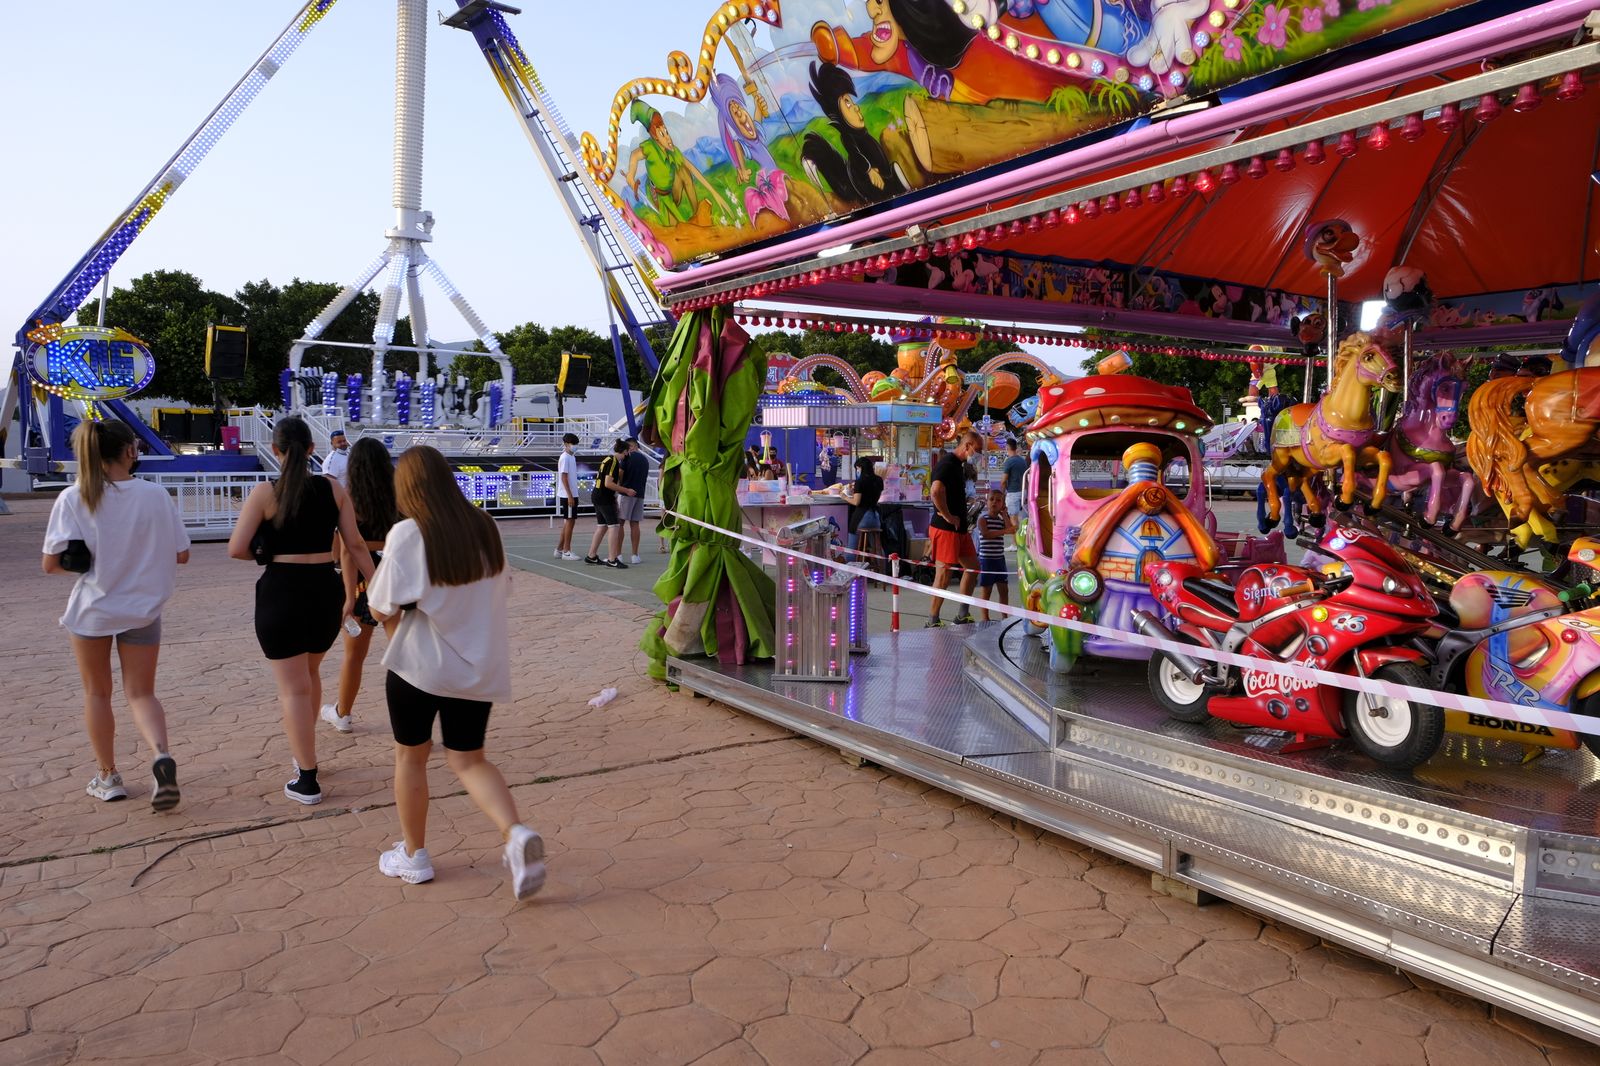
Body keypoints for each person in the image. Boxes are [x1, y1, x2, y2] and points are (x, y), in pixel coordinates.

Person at [366, 446, 545, 899]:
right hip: (478, 668)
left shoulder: (408, 533)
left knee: (411, 757)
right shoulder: (485, 527)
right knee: (469, 759)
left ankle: (415, 855)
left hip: (419, 668)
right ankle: (516, 833)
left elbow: (379, 603)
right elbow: (502, 588)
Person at [43, 420, 190, 810]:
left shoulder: (74, 497)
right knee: (142, 693)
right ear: (130, 451)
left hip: (92, 611)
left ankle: (108, 777)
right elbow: (182, 553)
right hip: (143, 610)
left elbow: (51, 564)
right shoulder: (155, 496)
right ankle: (160, 756)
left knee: (97, 693)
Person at [229, 416, 374, 805]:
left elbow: (237, 548)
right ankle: (304, 756)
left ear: (275, 451)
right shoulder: (332, 489)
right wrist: (376, 585)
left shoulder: (265, 493)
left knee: (293, 688)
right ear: (313, 449)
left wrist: (269, 551)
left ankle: (307, 777)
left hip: (282, 591)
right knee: (309, 675)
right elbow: (356, 545)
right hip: (324, 590)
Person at [321, 437, 398, 734]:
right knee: (403, 652)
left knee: (354, 655)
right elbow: (403, 537)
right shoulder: (399, 495)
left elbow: (347, 550)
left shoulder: (349, 499)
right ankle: (415, 714)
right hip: (395, 577)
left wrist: (349, 596)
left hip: (363, 584)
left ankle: (343, 713)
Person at [927, 431, 984, 627]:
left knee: (973, 568)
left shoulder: (958, 466)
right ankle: (933, 619)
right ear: (967, 445)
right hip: (946, 529)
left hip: (960, 529)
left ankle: (962, 613)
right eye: (977, 450)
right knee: (943, 575)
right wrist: (947, 515)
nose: (978, 454)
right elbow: (935, 491)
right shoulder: (947, 464)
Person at [584, 439, 628, 565]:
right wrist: (626, 490)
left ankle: (591, 555)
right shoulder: (614, 462)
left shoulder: (607, 459)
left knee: (602, 526)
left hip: (597, 495)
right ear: (624, 451)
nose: (627, 455)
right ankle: (612, 559)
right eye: (627, 452)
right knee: (614, 526)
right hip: (603, 497)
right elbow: (608, 483)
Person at [975, 490, 1016, 622]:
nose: (994, 502)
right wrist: (1005, 530)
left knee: (1004, 590)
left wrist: (1004, 514)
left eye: (998, 500)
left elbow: (1011, 529)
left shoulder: (1000, 521)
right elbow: (986, 534)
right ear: (987, 502)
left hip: (999, 559)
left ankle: (1004, 616)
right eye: (991, 499)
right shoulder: (982, 519)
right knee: (986, 590)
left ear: (1002, 504)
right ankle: (985, 617)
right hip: (987, 560)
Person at [609, 437, 649, 568]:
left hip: (626, 493)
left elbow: (620, 473)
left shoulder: (627, 458)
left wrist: (619, 487)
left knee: (620, 523)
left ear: (630, 447)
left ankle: (618, 554)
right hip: (640, 494)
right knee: (635, 523)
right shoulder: (644, 460)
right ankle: (635, 555)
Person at [838, 454, 883, 554]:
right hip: (876, 518)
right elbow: (874, 498)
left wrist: (845, 497)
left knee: (852, 548)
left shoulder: (860, 482)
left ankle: (850, 567)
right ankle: (882, 567)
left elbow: (857, 502)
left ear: (861, 468)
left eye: (857, 469)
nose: (857, 471)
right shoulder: (879, 480)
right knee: (877, 549)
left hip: (862, 518)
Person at [554, 433, 580, 561]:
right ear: (566, 444)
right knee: (569, 522)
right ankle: (566, 551)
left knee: (569, 522)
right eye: (572, 444)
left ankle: (559, 549)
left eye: (575, 444)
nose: (575, 446)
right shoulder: (565, 458)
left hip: (573, 494)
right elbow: (563, 477)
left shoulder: (571, 457)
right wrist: (570, 496)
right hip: (568, 495)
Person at [1001, 438, 1028, 521]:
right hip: (1024, 492)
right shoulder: (1022, 461)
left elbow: (1004, 480)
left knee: (1013, 519)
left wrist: (1002, 494)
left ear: (1007, 448)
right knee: (1023, 519)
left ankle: (1016, 534)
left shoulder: (1009, 462)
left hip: (1013, 493)